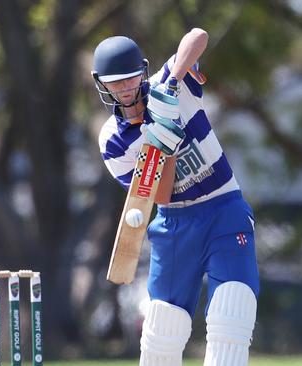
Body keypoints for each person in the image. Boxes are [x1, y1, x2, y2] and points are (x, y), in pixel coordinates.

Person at [92, 28, 259, 366]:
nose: (124, 88)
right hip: (175, 222)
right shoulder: (112, 142)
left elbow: (197, 36)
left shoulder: (171, 83)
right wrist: (163, 139)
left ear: (142, 71)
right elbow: (163, 197)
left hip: (223, 206)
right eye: (115, 82)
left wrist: (169, 87)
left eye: (129, 78)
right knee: (162, 332)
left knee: (232, 314)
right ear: (102, 84)